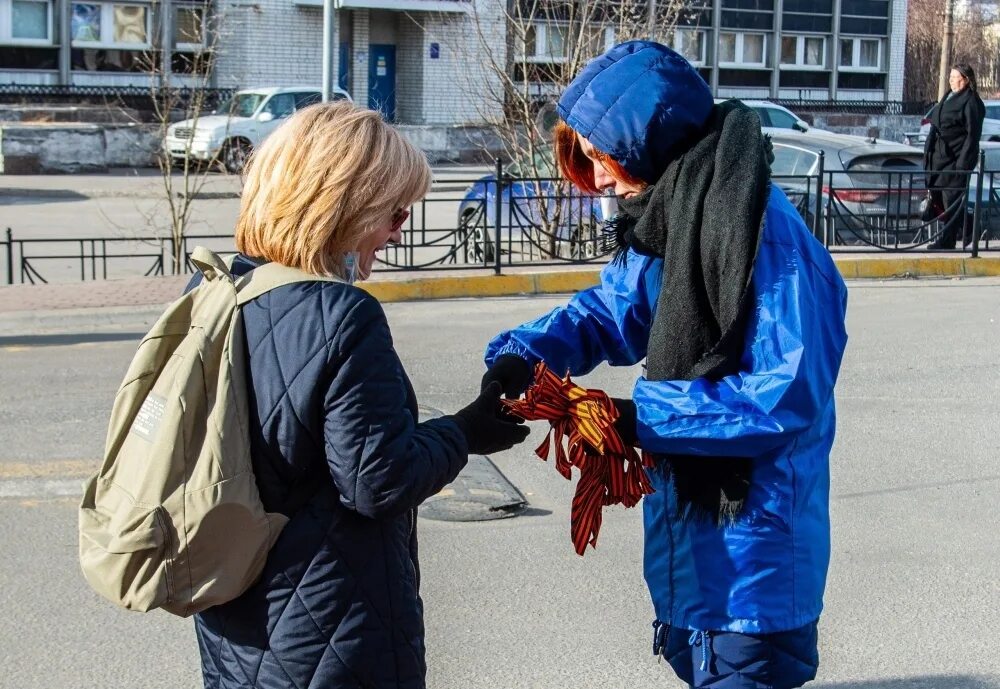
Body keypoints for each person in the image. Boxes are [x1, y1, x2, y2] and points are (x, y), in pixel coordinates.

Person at [481, 41, 848, 689]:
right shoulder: (674, 216)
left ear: (645, 139)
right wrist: (524, 353)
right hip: (693, 557)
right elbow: (609, 310)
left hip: (752, 570)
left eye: (598, 156)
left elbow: (781, 398)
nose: (594, 179)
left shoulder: (766, 236)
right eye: (583, 161)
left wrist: (635, 416)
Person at [193, 101, 529, 689]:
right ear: (344, 207)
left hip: (233, 616)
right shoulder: (343, 315)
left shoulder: (216, 293)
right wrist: (467, 431)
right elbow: (378, 481)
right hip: (333, 629)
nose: (399, 233)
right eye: (395, 214)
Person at [924, 63, 986, 250]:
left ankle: (947, 239)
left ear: (966, 80)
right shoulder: (948, 97)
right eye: (949, 78)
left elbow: (972, 135)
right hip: (939, 157)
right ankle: (969, 224)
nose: (951, 81)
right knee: (939, 198)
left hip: (956, 159)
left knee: (951, 199)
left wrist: (963, 163)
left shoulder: (971, 102)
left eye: (955, 78)